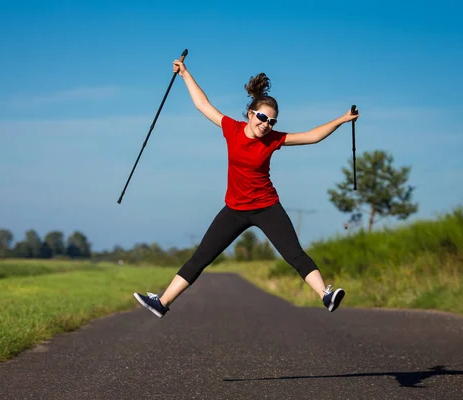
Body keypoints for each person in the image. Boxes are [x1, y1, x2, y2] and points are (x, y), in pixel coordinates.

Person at [133, 58, 359, 318]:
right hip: (235, 209)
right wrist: (184, 73)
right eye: (262, 117)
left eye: (272, 121)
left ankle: (325, 295)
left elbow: (313, 136)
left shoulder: (274, 139)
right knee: (201, 256)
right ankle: (161, 303)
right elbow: (202, 104)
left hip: (267, 207)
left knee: (294, 254)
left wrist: (343, 118)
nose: (266, 124)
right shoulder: (232, 128)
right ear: (251, 114)